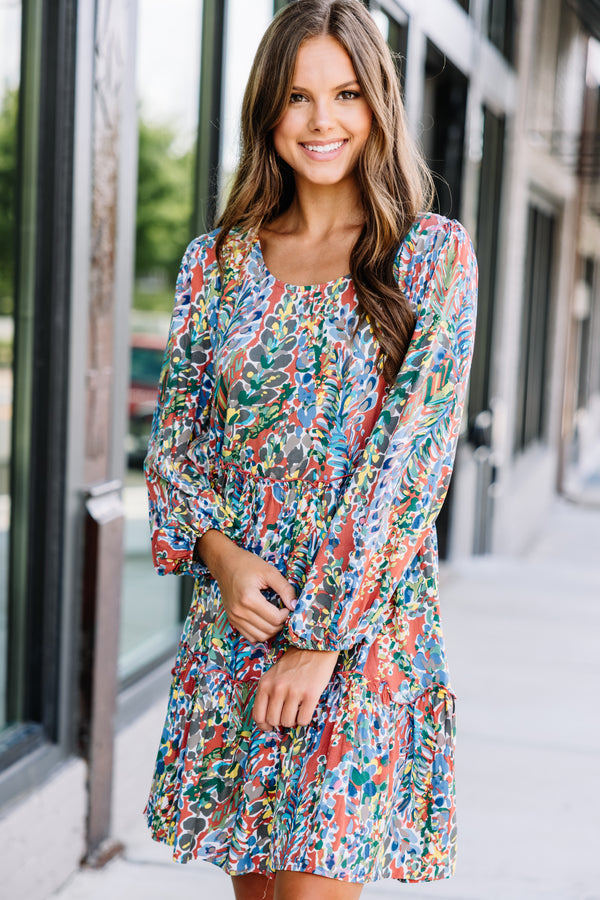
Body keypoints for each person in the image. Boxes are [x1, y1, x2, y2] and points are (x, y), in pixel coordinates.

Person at [143, 1, 477, 898]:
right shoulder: (218, 264)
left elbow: (409, 467)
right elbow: (178, 446)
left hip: (360, 638)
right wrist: (222, 560)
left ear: (379, 106)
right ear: (268, 111)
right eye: (297, 96)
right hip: (241, 626)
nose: (321, 121)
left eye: (345, 94)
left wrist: (321, 636)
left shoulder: (430, 257)